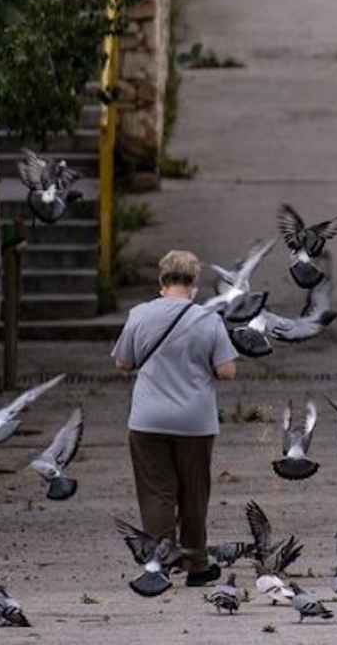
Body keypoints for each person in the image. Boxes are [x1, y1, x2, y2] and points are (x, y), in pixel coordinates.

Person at [112, 249, 238, 586]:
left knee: (157, 493)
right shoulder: (209, 319)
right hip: (195, 421)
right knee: (194, 493)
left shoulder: (139, 315)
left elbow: (123, 362)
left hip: (148, 419)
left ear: (161, 279)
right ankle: (197, 566)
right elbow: (226, 371)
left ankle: (159, 565)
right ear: (194, 283)